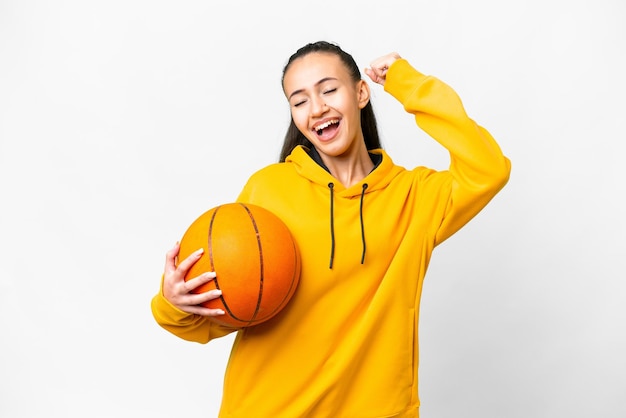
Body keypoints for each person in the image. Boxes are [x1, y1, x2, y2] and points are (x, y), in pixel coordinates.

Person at [151, 40, 511, 417]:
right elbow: (229, 309)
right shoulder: (269, 189)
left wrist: (407, 82)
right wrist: (173, 302)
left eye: (328, 89)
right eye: (300, 100)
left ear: (360, 93)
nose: (317, 108)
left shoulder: (414, 198)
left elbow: (488, 169)